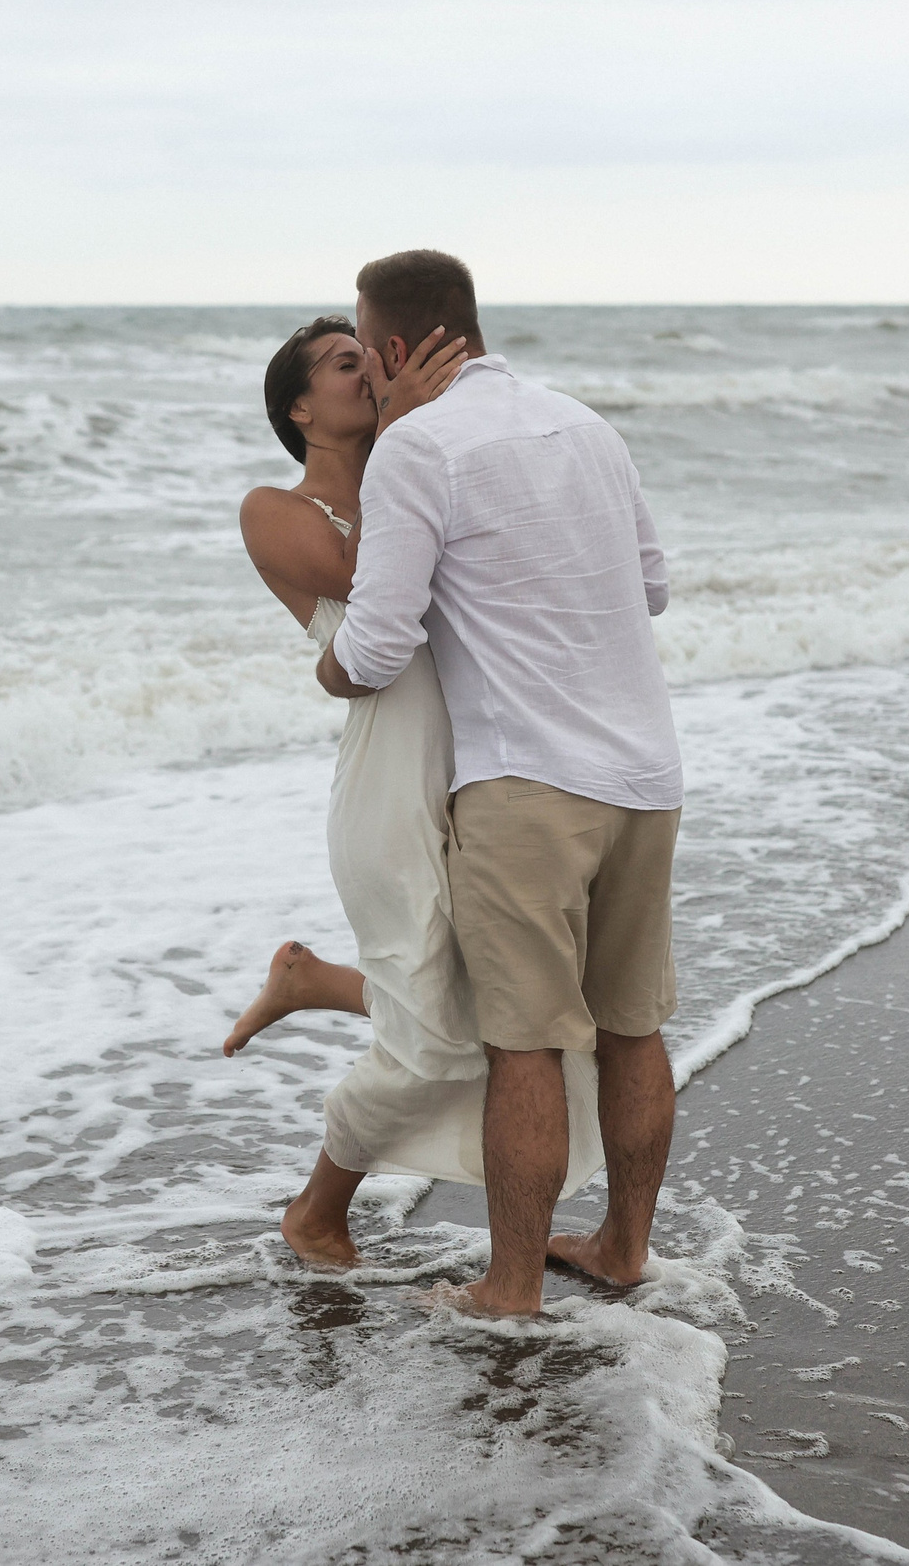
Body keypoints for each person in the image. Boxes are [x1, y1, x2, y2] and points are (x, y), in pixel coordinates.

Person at [318, 250, 681, 1317]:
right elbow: (652, 587)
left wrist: (328, 667)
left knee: (520, 1043)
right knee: (633, 1025)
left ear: (391, 348)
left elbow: (378, 644)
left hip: (526, 785)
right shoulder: (584, 423)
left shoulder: (417, 447)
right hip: (647, 772)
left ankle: (510, 1286)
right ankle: (622, 1246)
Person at [227, 314, 604, 1269]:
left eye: (376, 358)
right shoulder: (273, 508)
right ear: (301, 407)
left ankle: (312, 981)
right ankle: (315, 1211)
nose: (373, 373)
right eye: (348, 365)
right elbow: (377, 579)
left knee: (499, 1000)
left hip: (488, 764)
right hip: (391, 782)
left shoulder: (423, 467)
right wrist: (410, 421)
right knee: (436, 1038)